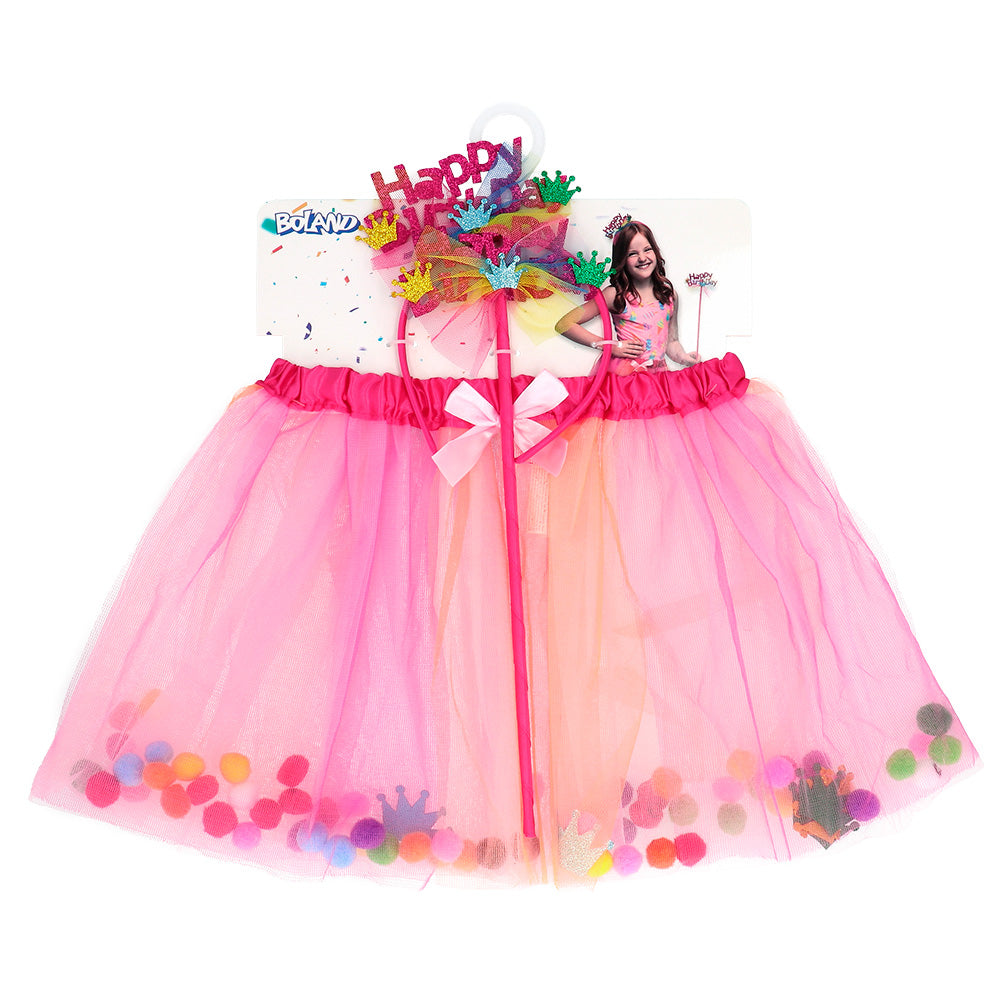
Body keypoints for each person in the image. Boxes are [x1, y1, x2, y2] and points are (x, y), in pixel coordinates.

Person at [556, 220, 701, 374]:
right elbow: (564, 324)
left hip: (658, 376)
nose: (642, 258)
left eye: (647, 250)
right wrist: (607, 345)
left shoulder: (668, 296)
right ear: (622, 259)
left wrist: (684, 358)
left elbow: (671, 342)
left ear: (656, 252)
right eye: (632, 253)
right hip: (626, 376)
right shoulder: (616, 295)